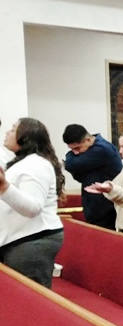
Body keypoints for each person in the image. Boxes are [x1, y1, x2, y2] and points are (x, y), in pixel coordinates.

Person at [0, 118, 64, 288]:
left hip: (32, 240)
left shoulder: (36, 164)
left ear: (25, 137)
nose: (7, 133)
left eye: (13, 130)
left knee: (29, 296)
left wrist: (4, 187)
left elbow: (33, 208)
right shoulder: (22, 162)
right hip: (19, 238)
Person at [62, 124, 123, 229]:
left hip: (106, 208)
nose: (75, 153)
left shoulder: (102, 149)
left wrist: (69, 161)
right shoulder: (88, 150)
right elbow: (79, 175)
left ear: (88, 140)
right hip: (93, 206)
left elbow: (70, 164)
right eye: (72, 150)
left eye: (77, 148)